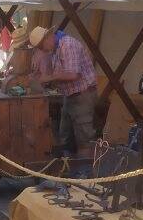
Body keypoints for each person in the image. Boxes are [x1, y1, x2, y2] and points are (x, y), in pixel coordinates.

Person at [29, 25, 98, 158]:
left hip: (82, 95)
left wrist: (49, 78)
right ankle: (69, 168)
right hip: (70, 95)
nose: (42, 50)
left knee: (84, 139)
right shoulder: (54, 49)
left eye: (41, 46)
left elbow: (73, 74)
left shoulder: (67, 45)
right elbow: (52, 72)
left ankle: (84, 175)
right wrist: (41, 61)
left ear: (48, 38)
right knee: (66, 136)